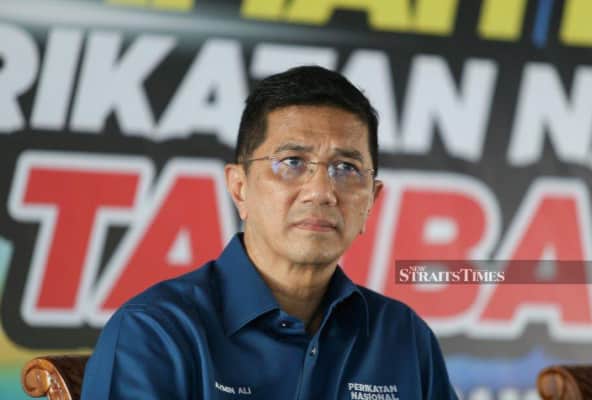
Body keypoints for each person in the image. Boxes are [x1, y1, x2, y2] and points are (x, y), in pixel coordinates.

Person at [81, 66, 458, 399]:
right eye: (292, 162)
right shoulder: (157, 331)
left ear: (372, 200)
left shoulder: (404, 338)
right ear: (239, 188)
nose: (321, 191)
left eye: (346, 168)